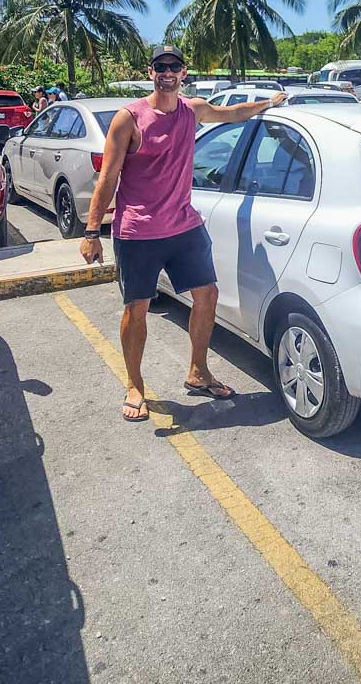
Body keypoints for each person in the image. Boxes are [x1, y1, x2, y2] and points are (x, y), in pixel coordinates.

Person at [79, 45, 287, 423]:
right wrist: (92, 231)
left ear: (183, 72)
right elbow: (108, 177)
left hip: (184, 226)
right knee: (136, 308)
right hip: (138, 231)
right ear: (151, 72)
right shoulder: (129, 120)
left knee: (207, 295)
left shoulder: (191, 110)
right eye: (161, 67)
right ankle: (135, 385)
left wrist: (267, 104)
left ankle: (198, 371)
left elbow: (231, 113)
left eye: (174, 67)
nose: (167, 72)